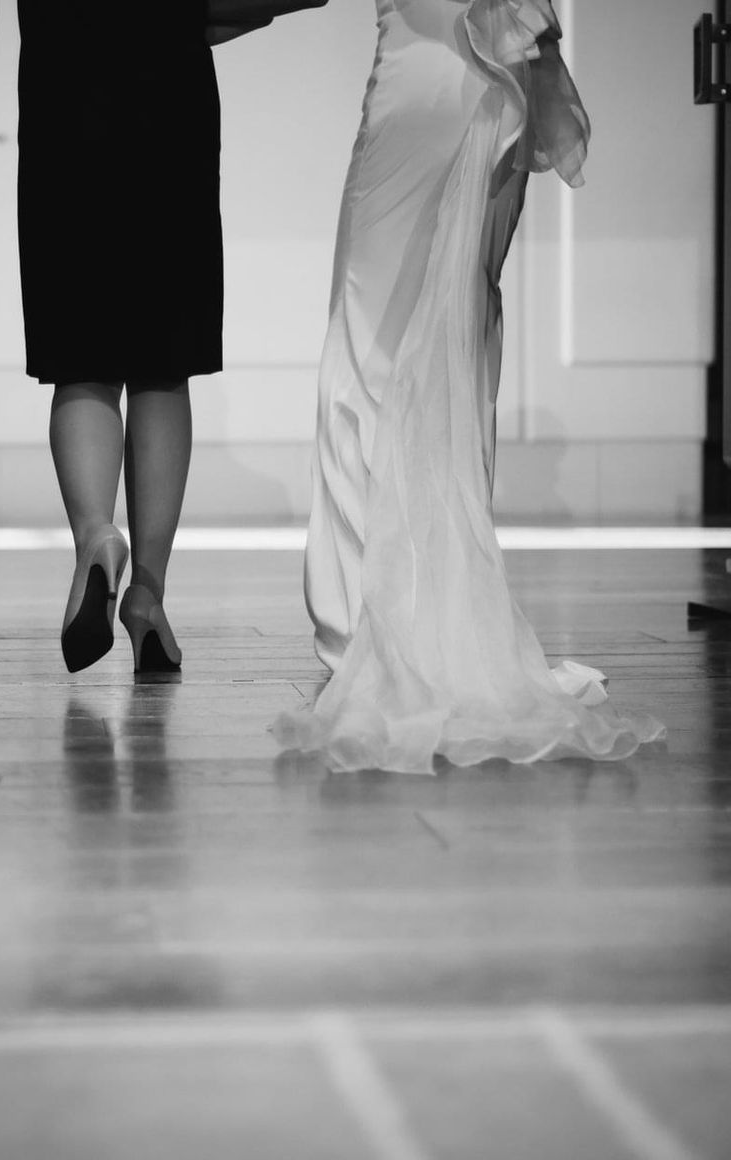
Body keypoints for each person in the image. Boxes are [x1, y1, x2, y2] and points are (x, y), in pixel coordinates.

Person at [275, 0, 664, 772]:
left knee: (374, 345)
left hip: (430, 76)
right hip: (495, 74)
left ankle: (365, 627)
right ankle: (433, 616)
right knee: (456, 340)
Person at [16, 0, 223, 674]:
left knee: (82, 354)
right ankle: (147, 597)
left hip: (63, 77)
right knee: (164, 360)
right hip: (170, 75)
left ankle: (97, 539)